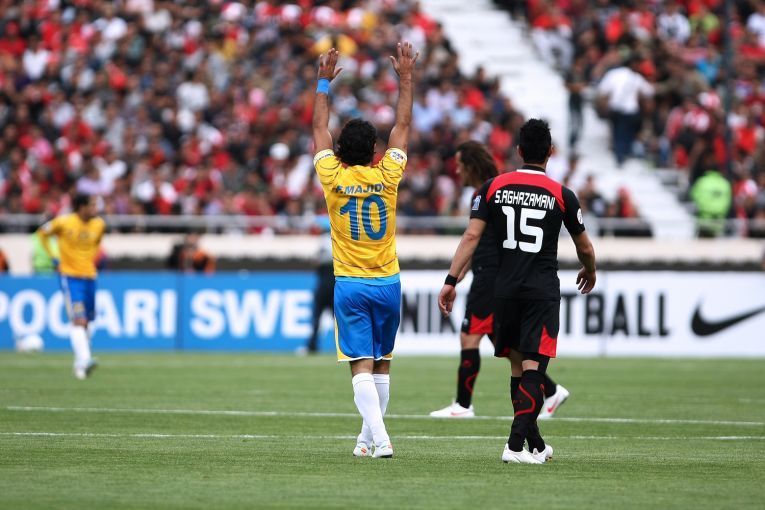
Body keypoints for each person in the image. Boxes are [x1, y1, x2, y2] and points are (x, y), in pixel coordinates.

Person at [438, 119, 596, 464]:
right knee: (533, 369)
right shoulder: (562, 194)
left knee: (517, 368)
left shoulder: (493, 187)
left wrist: (451, 280)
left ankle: (534, 445)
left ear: (519, 151)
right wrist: (590, 268)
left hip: (504, 290)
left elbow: (471, 236)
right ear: (550, 152)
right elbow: (584, 246)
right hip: (540, 291)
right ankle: (513, 446)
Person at [312, 43, 418, 459]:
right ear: (376, 151)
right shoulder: (389, 173)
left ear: (339, 149)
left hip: (351, 284)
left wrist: (323, 82)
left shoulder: (331, 175)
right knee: (382, 364)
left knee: (361, 365)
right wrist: (405, 78)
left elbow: (318, 128)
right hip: (388, 280)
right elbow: (403, 124)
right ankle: (365, 439)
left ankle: (382, 438)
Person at [430, 141, 570, 420]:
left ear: (471, 166)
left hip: (490, 278)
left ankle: (463, 405)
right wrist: (461, 274)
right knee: (505, 345)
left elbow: (473, 238)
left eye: (460, 165)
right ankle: (551, 390)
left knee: (470, 336)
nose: (457, 171)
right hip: (500, 277)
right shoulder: (501, 189)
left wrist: (453, 278)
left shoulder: (487, 193)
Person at [37, 194, 106, 380]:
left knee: (88, 322)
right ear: (81, 207)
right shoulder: (64, 222)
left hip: (90, 276)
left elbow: (97, 244)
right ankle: (85, 359)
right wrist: (54, 257)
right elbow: (42, 234)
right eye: (92, 205)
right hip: (70, 277)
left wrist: (90, 259)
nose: (96, 209)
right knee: (79, 320)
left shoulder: (99, 224)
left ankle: (79, 364)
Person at [597, 56, 654, 166]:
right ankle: (622, 154)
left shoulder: (613, 74)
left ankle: (619, 154)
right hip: (629, 110)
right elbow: (649, 91)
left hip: (615, 108)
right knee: (625, 132)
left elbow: (602, 89)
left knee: (617, 131)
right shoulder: (635, 76)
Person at [305, 216, 334, 354]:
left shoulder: (324, 241)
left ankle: (312, 345)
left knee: (316, 317)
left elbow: (317, 261)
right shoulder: (339, 240)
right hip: (335, 285)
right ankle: (345, 347)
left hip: (324, 285)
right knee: (339, 320)